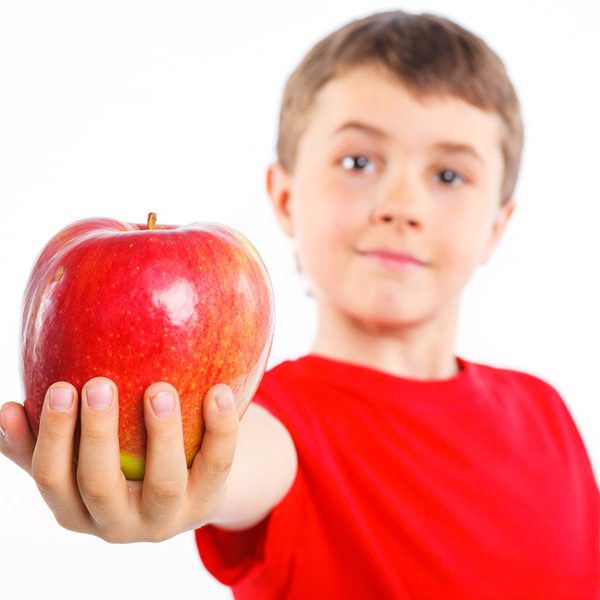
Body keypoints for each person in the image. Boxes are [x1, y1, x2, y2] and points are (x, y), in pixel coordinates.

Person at [1, 9, 599, 599]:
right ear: (285, 198)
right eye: (358, 162)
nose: (400, 204)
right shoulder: (269, 420)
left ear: (496, 226)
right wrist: (176, 479)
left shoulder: (546, 412)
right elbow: (233, 461)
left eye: (448, 176)